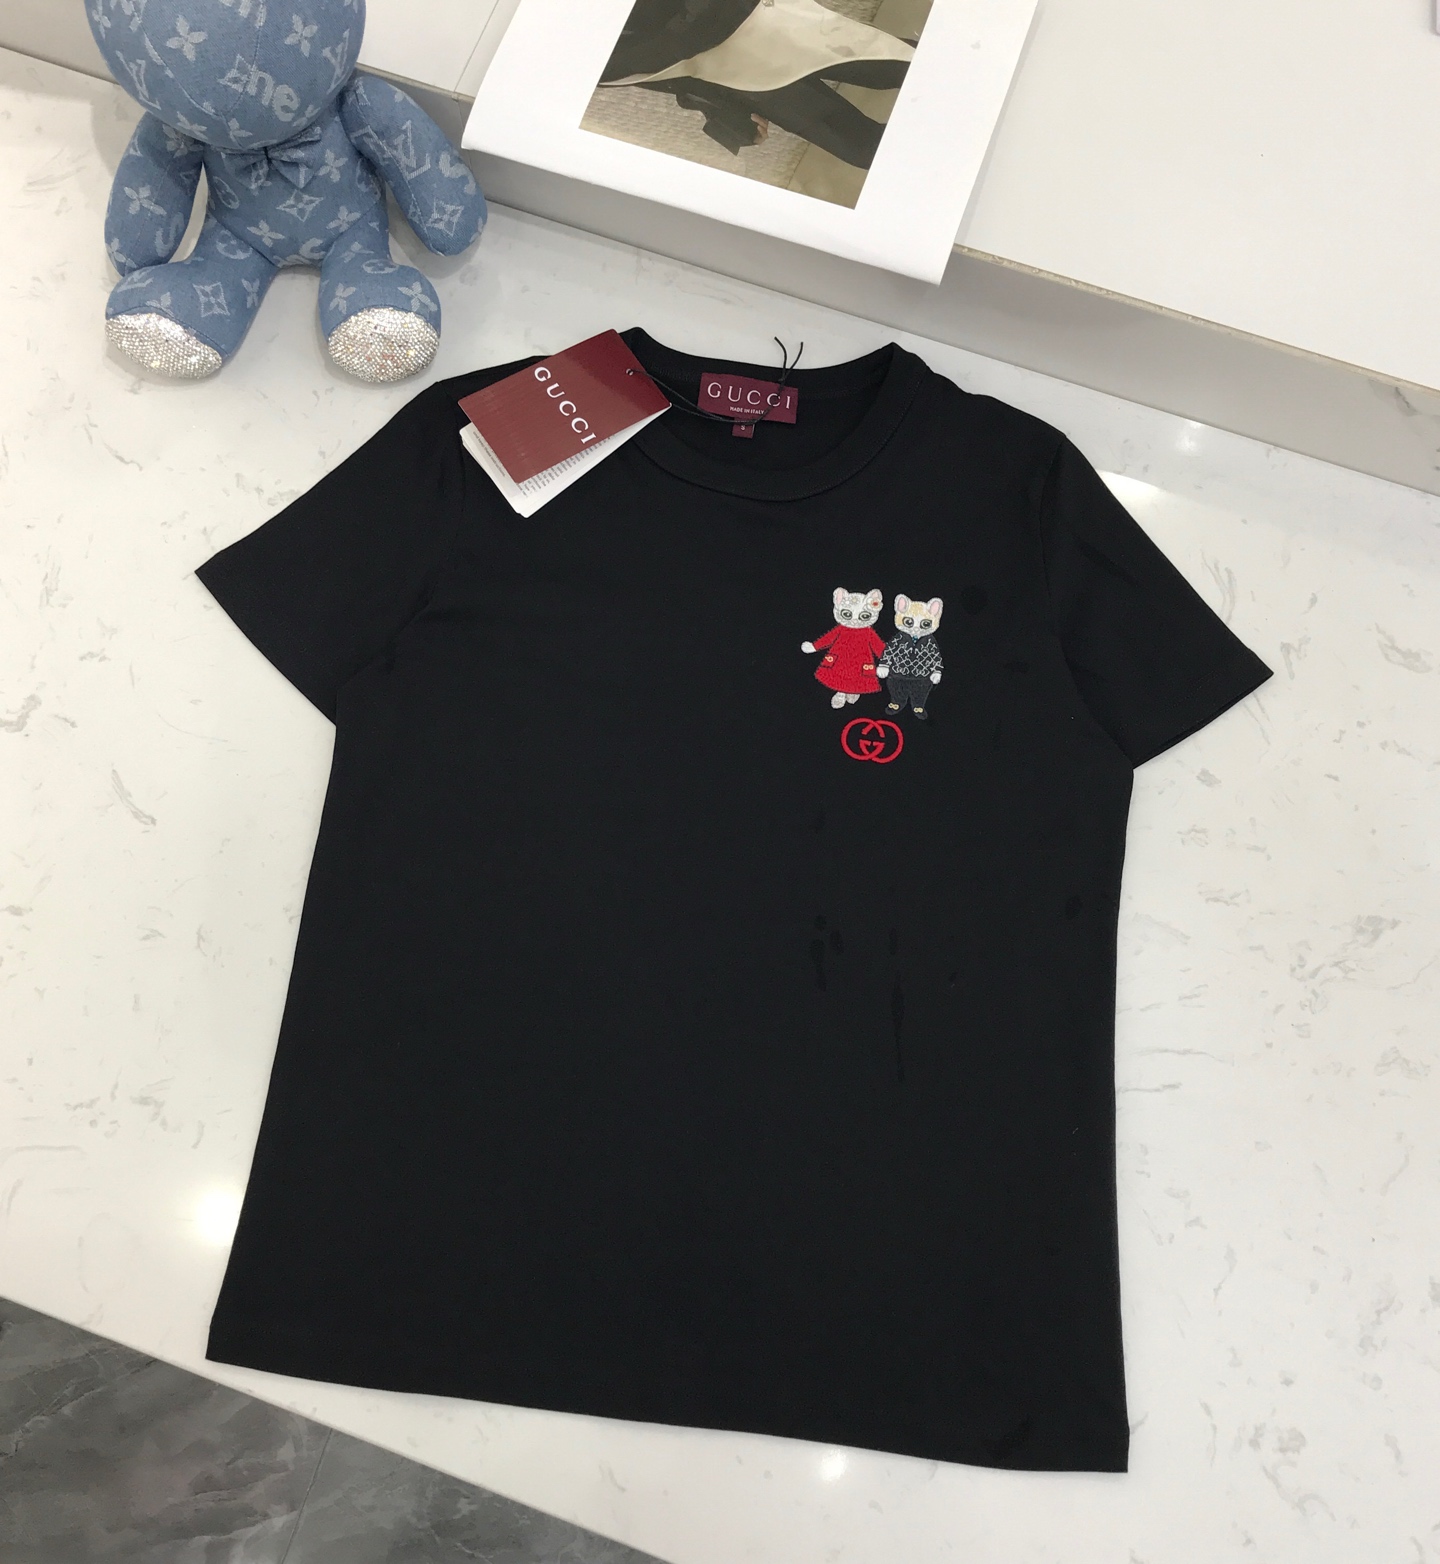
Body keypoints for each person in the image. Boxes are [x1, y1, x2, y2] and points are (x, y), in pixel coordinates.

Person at [599, 0, 916, 170]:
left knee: (904, 67)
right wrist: (722, 112)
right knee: (866, 151)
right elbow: (658, 77)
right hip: (724, 73)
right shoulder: (571, 51)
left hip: (755, 19)